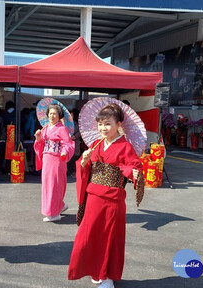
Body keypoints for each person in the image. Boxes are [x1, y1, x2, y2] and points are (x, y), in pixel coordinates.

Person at [68, 103, 143, 288]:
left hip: (112, 199)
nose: (103, 128)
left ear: (118, 124)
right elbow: (83, 167)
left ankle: (107, 275)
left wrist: (131, 172)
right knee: (89, 236)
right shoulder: (95, 144)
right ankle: (95, 270)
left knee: (109, 238)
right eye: (100, 124)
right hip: (93, 196)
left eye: (108, 124)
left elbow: (136, 168)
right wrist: (84, 162)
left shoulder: (126, 146)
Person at [34, 104, 74, 222]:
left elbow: (68, 143)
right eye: (50, 113)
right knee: (47, 184)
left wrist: (64, 151)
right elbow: (41, 143)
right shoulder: (45, 128)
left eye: (54, 114)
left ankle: (54, 213)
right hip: (47, 158)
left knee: (54, 185)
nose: (52, 116)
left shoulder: (62, 129)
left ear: (59, 115)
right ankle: (59, 206)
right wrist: (38, 138)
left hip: (57, 159)